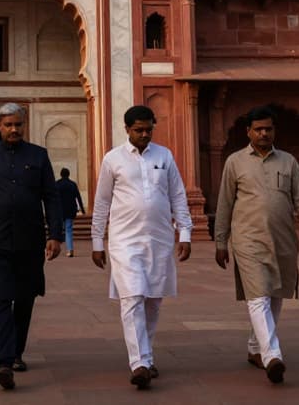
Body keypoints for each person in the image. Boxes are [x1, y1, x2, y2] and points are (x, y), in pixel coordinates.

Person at [214, 105, 299, 385]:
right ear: (248, 131)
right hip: (248, 240)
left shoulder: (288, 162)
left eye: (268, 129)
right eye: (258, 129)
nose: (263, 133)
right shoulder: (235, 162)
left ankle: (254, 347)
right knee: (258, 295)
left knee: (275, 293)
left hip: (284, 238)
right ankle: (272, 355)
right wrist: (221, 241)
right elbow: (224, 203)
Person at [0, 103, 63, 390]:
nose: (14, 129)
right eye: (8, 125)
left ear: (24, 125)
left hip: (30, 240)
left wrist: (55, 234)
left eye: (18, 124)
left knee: (26, 298)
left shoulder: (38, 156)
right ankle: (4, 362)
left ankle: (16, 350)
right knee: (0, 298)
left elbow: (51, 197)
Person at [91, 105, 192, 389]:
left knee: (153, 300)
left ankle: (145, 355)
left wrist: (184, 233)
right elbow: (102, 202)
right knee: (133, 296)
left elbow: (177, 195)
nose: (145, 134)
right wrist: (98, 240)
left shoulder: (164, 155)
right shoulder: (113, 159)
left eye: (149, 129)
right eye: (139, 130)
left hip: (159, 239)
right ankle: (140, 363)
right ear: (127, 129)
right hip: (125, 240)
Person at [55, 168, 85, 257]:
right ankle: (70, 249)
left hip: (60, 211)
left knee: (59, 229)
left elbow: (53, 198)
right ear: (68, 174)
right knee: (68, 230)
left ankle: (56, 249)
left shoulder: (57, 184)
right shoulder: (72, 184)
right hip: (70, 210)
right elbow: (78, 197)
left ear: (61, 174)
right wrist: (82, 209)